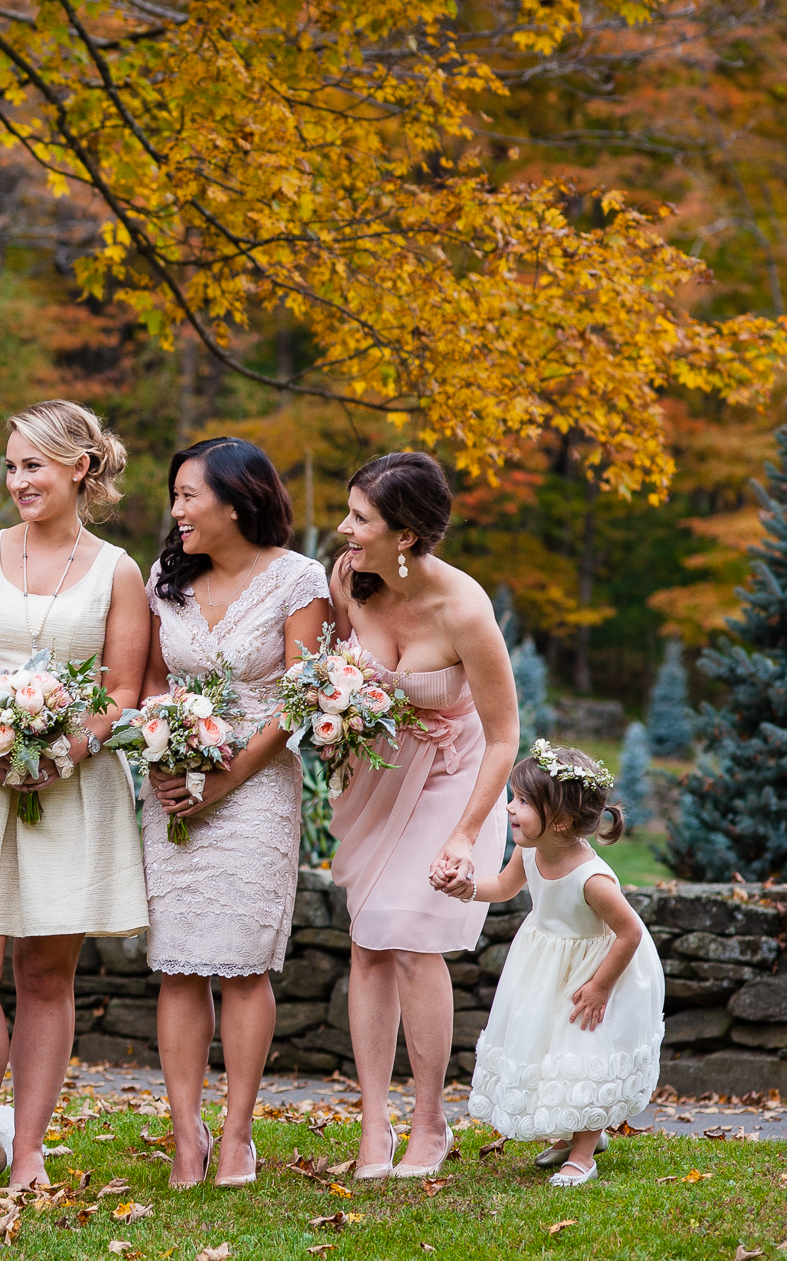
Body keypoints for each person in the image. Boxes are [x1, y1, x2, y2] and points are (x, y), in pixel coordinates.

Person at [0, 400, 149, 1193]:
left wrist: (66, 748)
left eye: (33, 466)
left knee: (47, 975)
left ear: (79, 469)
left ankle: (32, 1148)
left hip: (73, 788)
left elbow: (122, 691)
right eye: (11, 466)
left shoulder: (118, 569)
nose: (18, 480)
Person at [141, 437, 331, 1189]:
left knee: (245, 967)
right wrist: (162, 760)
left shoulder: (297, 578)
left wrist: (225, 780)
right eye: (175, 495)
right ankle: (186, 1136)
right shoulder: (166, 577)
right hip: (174, 787)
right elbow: (152, 682)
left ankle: (238, 1136)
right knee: (178, 966)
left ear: (236, 499)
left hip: (256, 784)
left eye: (189, 495)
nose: (177, 510)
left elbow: (298, 695)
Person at [326, 451, 518, 1181]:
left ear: (405, 535)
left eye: (360, 518)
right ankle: (374, 1126)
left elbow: (504, 736)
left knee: (408, 938)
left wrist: (467, 834)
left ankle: (430, 1120)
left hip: (453, 780)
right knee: (368, 940)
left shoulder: (464, 609)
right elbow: (341, 677)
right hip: (378, 778)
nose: (345, 528)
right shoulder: (351, 580)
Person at [447, 742, 663, 1188]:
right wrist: (465, 888)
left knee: (584, 1053)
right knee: (551, 1050)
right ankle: (574, 1137)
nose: (510, 808)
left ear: (560, 821)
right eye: (514, 797)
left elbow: (630, 933)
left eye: (523, 802)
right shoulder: (529, 850)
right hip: (545, 963)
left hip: (598, 968)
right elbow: (505, 888)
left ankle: (584, 1153)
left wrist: (600, 986)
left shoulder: (592, 879)